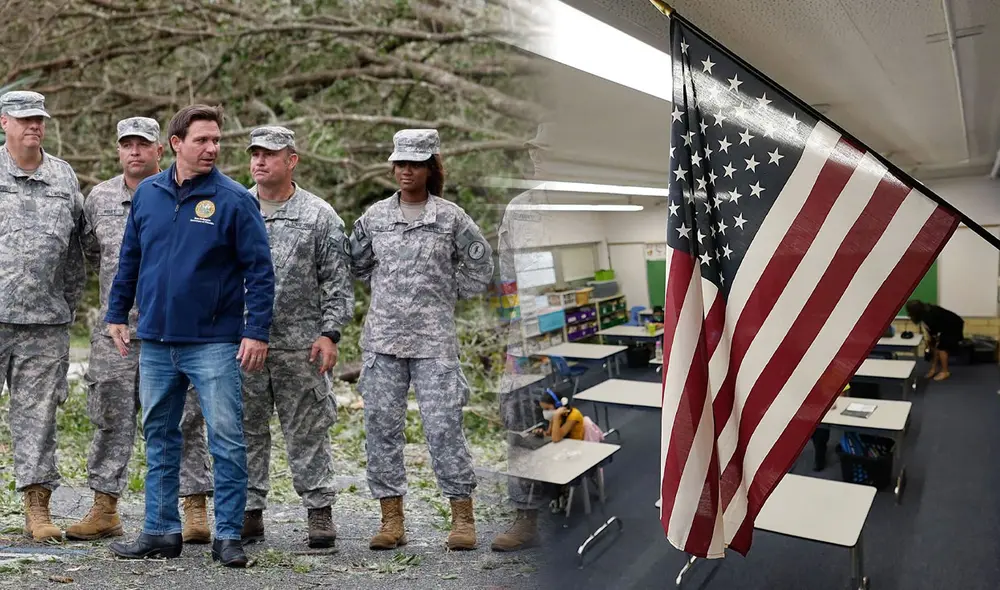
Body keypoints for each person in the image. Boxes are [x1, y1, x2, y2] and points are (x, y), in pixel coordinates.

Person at [105, 105, 275, 567]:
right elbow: (130, 259)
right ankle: (160, 531)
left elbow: (260, 271)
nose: (212, 148)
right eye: (202, 140)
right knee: (159, 435)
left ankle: (227, 536)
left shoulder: (235, 199)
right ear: (176, 144)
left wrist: (255, 331)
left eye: (217, 140)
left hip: (214, 342)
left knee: (226, 438)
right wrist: (116, 313)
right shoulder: (149, 196)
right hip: (157, 339)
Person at [69, 117, 215, 542]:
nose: (134, 151)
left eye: (142, 144)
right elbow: (93, 254)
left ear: (161, 150)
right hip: (116, 332)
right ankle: (105, 506)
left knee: (186, 417)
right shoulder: (98, 198)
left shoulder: (180, 193)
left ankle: (194, 508)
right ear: (118, 150)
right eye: (126, 144)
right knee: (109, 415)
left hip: (174, 329)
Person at [349, 128, 494, 551]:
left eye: (414, 163)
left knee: (445, 428)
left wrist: (445, 295)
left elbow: (479, 270)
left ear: (431, 167)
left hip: (434, 345)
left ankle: (462, 517)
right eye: (400, 163)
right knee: (380, 429)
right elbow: (356, 264)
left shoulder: (451, 218)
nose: (405, 171)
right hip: (383, 343)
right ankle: (391, 519)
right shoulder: (375, 217)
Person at [240, 126, 353, 549]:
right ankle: (249, 511)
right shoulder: (236, 207)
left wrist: (330, 333)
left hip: (300, 344)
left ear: (292, 160)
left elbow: (337, 283)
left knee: (308, 430)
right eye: (255, 154)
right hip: (244, 343)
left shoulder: (319, 215)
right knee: (245, 429)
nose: (260, 161)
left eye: (270, 154)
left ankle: (319, 512)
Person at [0, 90, 86, 542]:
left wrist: (66, 305)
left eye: (40, 119)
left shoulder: (62, 175)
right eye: (25, 119)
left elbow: (76, 252)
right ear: (4, 123)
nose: (35, 125)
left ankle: (37, 509)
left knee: (38, 419)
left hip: (44, 324)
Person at [491, 123, 557, 552]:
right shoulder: (520, 209)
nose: (536, 157)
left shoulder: (586, 202)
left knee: (576, 417)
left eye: (546, 150)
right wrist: (507, 341)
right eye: (534, 149)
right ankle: (526, 515)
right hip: (528, 338)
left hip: (577, 331)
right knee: (520, 419)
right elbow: (506, 283)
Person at [533, 389, 586, 513]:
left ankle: (560, 495)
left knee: (549, 466)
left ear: (557, 406)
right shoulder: (555, 417)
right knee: (539, 464)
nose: (545, 412)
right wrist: (542, 433)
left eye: (547, 408)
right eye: (544, 409)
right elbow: (550, 434)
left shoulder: (574, 415)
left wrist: (556, 417)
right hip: (561, 450)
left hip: (575, 453)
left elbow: (556, 438)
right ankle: (556, 495)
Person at [905, 300, 964, 381]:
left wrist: (932, 341)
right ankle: (934, 369)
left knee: (941, 348)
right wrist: (931, 342)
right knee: (935, 346)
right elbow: (932, 335)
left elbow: (935, 333)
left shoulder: (929, 316)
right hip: (945, 325)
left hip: (953, 325)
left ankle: (945, 372)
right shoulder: (925, 311)